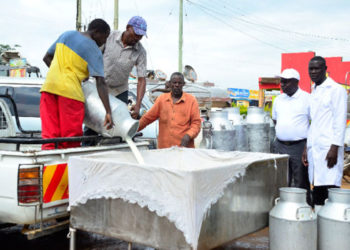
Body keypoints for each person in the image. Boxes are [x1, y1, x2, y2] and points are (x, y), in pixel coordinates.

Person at [40, 19, 113, 150]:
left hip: (48, 89)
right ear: (96, 32)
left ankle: (49, 169)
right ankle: (67, 169)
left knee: (50, 138)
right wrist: (108, 111)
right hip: (70, 95)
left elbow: (46, 58)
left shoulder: (66, 35)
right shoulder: (94, 50)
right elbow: (101, 83)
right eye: (105, 37)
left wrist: (60, 73)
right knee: (70, 141)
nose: (104, 42)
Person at [302, 56, 347, 210]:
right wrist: (306, 148)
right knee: (317, 186)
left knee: (330, 187)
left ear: (325, 69)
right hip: (315, 147)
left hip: (329, 148)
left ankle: (330, 225)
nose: (313, 72)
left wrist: (335, 147)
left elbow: (340, 120)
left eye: (317, 68)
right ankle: (318, 222)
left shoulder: (336, 90)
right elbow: (314, 123)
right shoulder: (314, 90)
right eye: (311, 69)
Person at [272, 68, 311, 203]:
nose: (282, 85)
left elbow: (314, 124)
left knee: (300, 179)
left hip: (299, 146)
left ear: (296, 82)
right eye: (281, 81)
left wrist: (307, 147)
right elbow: (275, 120)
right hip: (280, 146)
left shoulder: (307, 98)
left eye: (286, 82)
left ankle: (304, 207)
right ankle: (285, 207)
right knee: (282, 178)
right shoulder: (278, 100)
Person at [138, 72, 201, 149]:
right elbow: (147, 118)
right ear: (170, 83)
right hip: (164, 150)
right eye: (174, 82)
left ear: (183, 84)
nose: (177, 85)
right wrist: (133, 129)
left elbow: (196, 124)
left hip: (184, 150)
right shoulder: (161, 99)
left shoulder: (191, 100)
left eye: (179, 83)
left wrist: (188, 135)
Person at [103, 15, 147, 118]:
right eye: (136, 34)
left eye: (141, 36)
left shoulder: (141, 52)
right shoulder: (109, 37)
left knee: (117, 125)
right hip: (100, 87)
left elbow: (142, 80)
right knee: (93, 125)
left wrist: (138, 104)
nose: (138, 38)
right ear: (128, 27)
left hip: (119, 91)